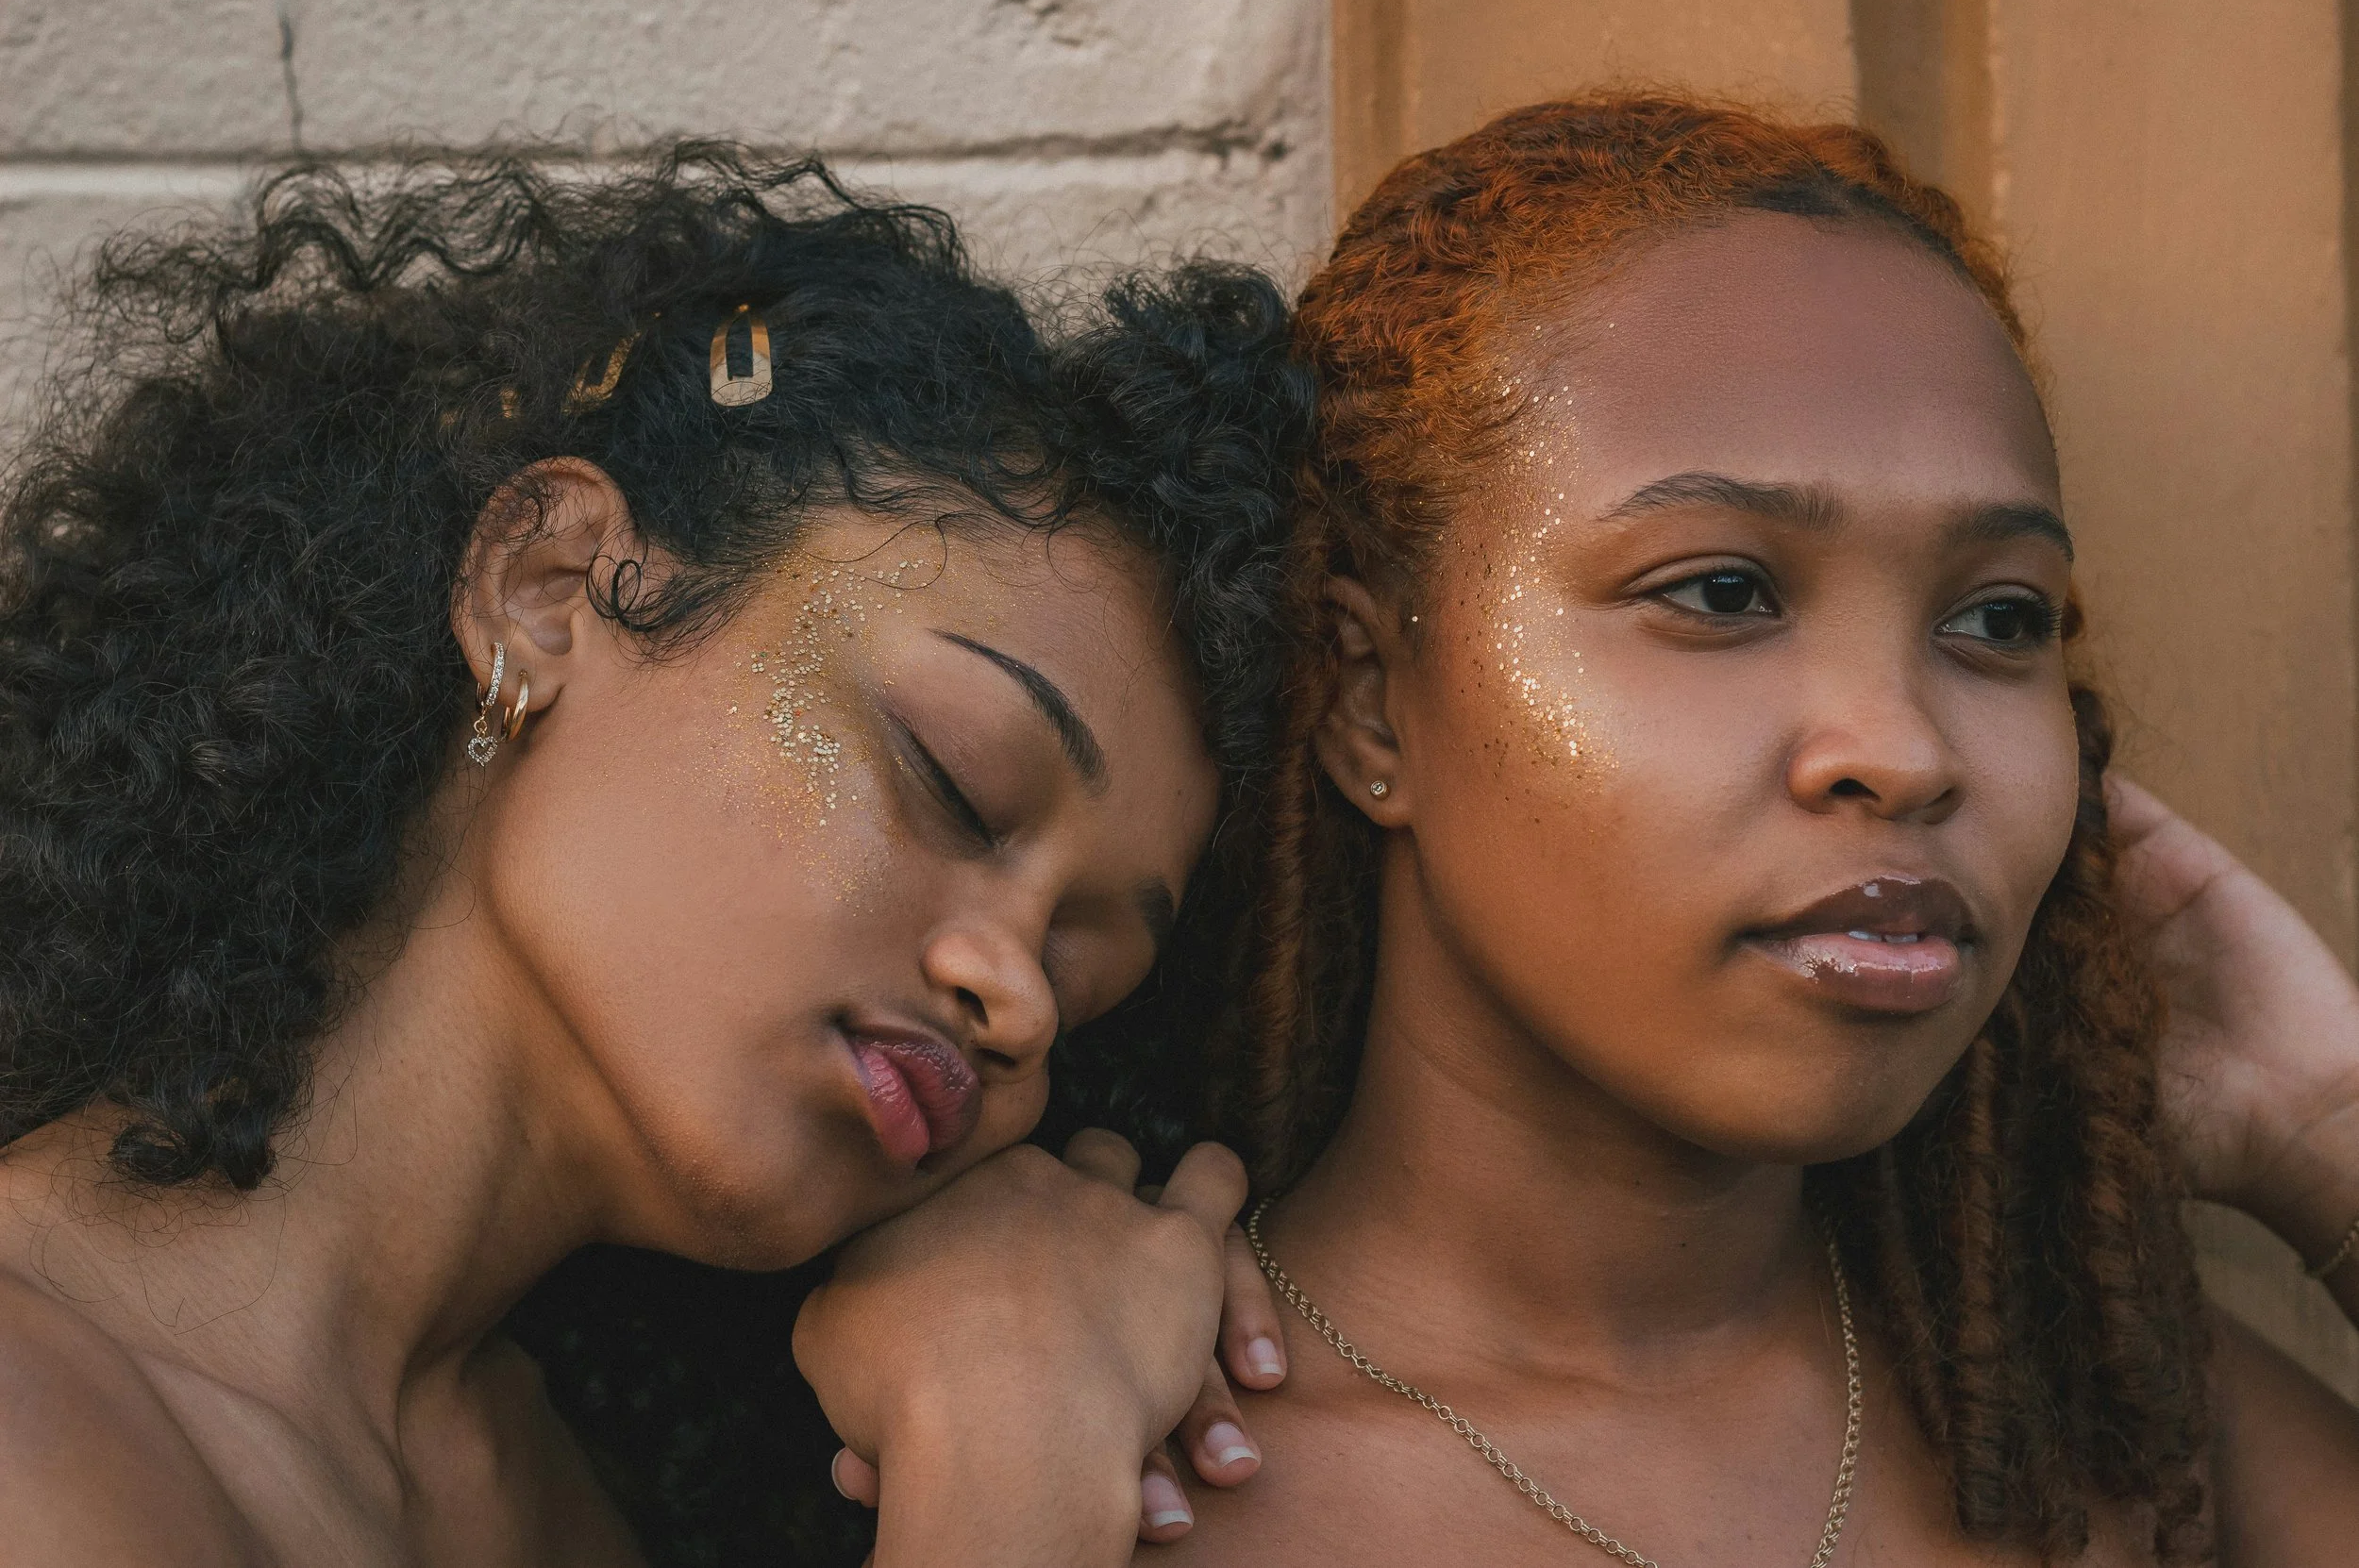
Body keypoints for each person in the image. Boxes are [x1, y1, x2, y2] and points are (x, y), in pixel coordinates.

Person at [798, 94, 2359, 1565]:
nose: (1904, 749)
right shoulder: (1066, 1446)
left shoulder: (2125, 1427)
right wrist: (1000, 1476)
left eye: (1999, 617)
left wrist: (2329, 1135)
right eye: (1722, 591)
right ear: (1367, 700)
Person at [0, 145, 1308, 1566]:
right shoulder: (35, 1411)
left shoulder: (587, 1504)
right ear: (549, 592)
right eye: (956, 781)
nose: (1023, 1003)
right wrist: (1008, 1448)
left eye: (1086, 965)